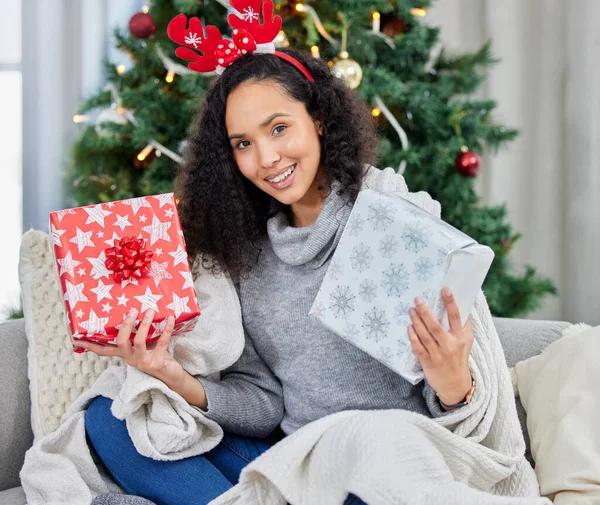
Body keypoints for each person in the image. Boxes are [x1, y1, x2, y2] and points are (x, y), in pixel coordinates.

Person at [80, 45, 476, 505]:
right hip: (293, 462)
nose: (266, 157)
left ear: (320, 120)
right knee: (109, 419)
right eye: (243, 144)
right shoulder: (244, 253)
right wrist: (169, 373)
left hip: (381, 465)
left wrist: (454, 384)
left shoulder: (398, 222)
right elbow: (263, 403)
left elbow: (463, 412)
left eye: (279, 128)